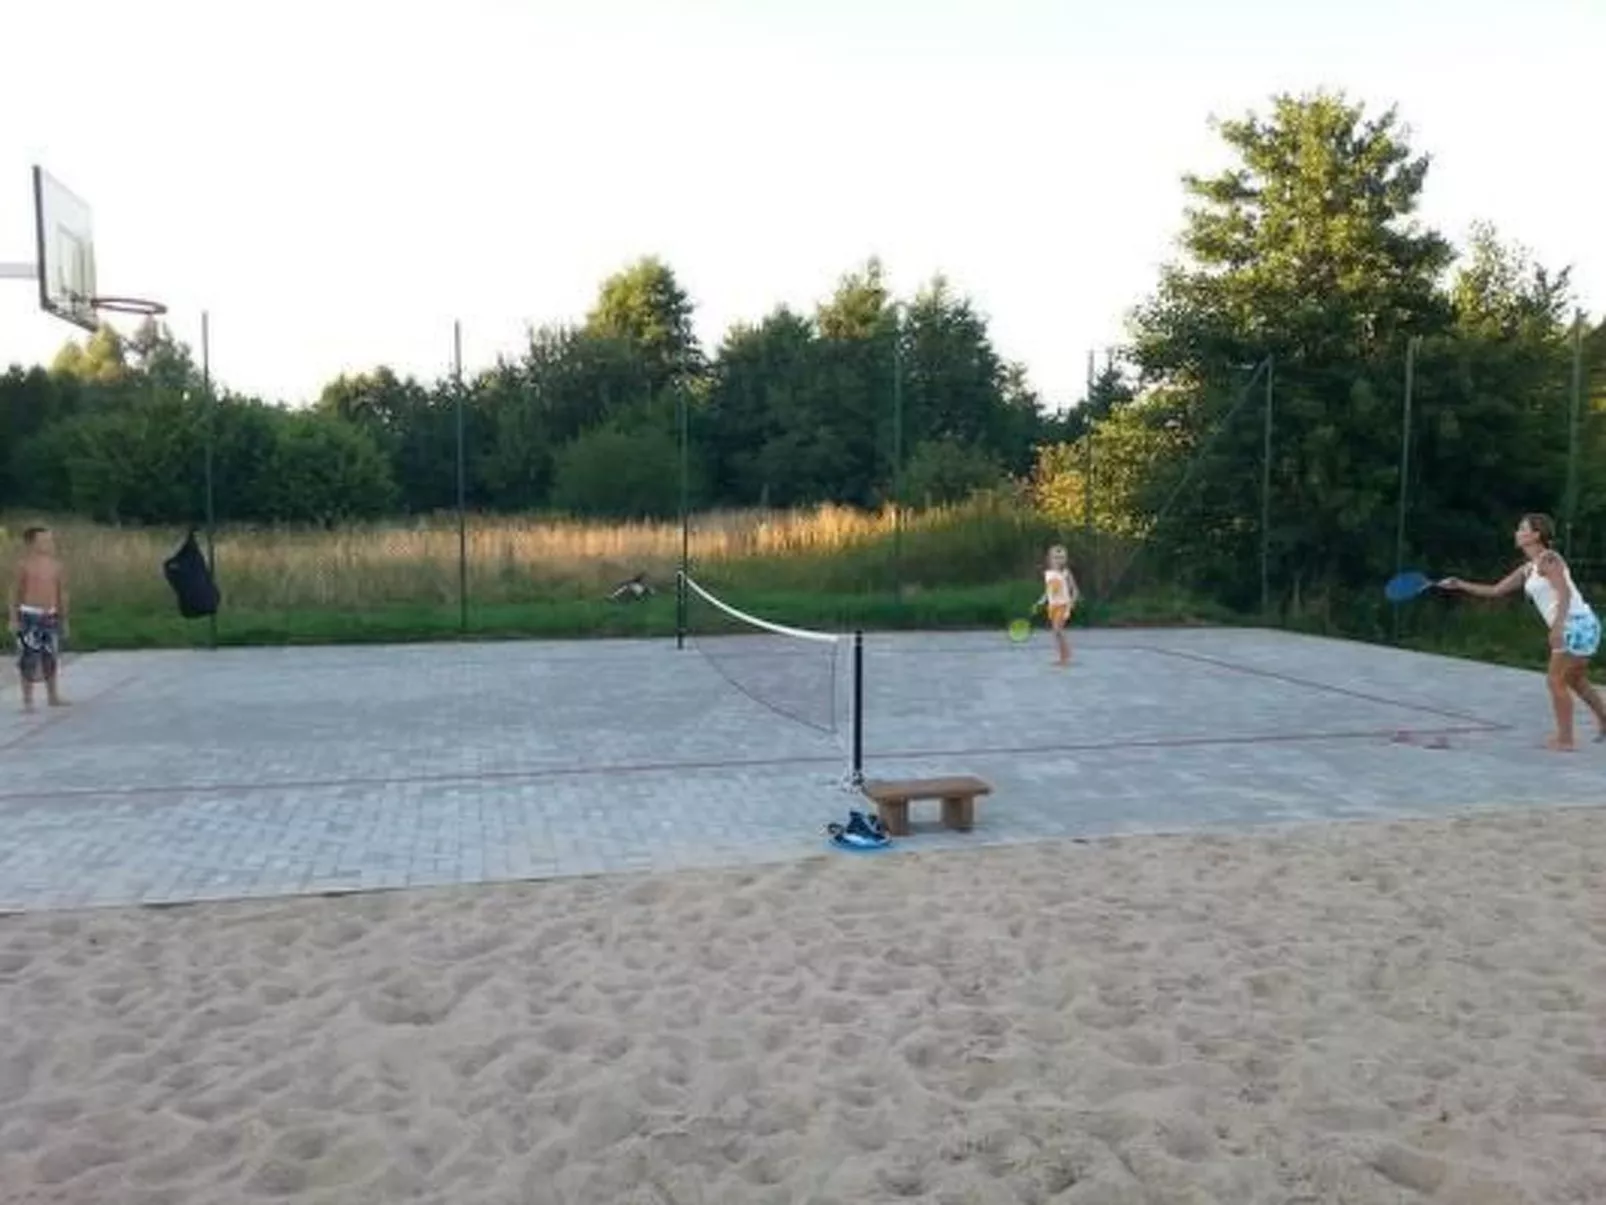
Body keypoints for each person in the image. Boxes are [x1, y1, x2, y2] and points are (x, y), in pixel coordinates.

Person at [1440, 512, 1604, 751]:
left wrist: (1558, 626)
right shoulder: (1529, 568)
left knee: (1555, 681)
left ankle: (1566, 740)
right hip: (1579, 623)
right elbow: (1495, 590)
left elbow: (1564, 593)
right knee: (1575, 680)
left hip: (1575, 624)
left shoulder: (1549, 559)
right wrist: (1459, 584)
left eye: (1522, 528)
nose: (1517, 532)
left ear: (1536, 535)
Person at [9, 525, 70, 711]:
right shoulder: (23, 565)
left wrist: (64, 618)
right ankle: (28, 700)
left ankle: (53, 695)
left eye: (49, 540)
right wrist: (14, 618)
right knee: (29, 657)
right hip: (30, 615)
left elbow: (62, 592)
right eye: (43, 540)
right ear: (32, 543)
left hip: (49, 615)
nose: (48, 544)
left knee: (50, 656)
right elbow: (15, 593)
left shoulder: (56, 566)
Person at [1039, 544, 1080, 667]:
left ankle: (1066, 656)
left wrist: (1072, 602)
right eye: (1056, 557)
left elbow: (1075, 590)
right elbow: (1049, 590)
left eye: (1061, 557)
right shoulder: (1048, 574)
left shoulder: (1066, 573)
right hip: (1053, 606)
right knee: (1056, 632)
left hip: (1063, 604)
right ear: (1050, 559)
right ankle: (1063, 656)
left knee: (1058, 629)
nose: (1058, 560)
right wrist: (1042, 600)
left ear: (1065, 559)